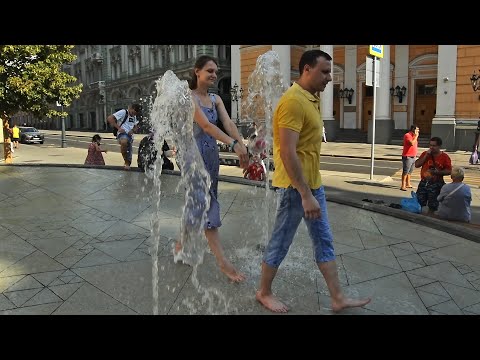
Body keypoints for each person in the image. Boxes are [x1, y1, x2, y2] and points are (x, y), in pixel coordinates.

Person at [255, 49, 371, 313]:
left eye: (330, 72)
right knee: (281, 241)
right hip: (296, 188)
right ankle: (263, 292)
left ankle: (337, 297)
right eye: (325, 72)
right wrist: (305, 194)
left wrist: (312, 190)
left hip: (312, 185)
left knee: (324, 240)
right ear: (306, 69)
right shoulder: (293, 101)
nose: (329, 78)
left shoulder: (312, 98)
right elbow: (287, 151)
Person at [174, 55, 249, 283]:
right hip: (191, 156)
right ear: (197, 72)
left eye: (216, 71)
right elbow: (206, 126)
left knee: (198, 203)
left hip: (210, 155)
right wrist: (233, 145)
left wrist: (243, 147)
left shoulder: (216, 99)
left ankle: (179, 246)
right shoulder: (189, 96)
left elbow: (228, 123)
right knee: (205, 203)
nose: (214, 74)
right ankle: (223, 263)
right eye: (209, 70)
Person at [414, 136, 452, 215]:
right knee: (418, 203)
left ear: (439, 146)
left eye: (434, 146)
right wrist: (425, 156)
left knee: (433, 206)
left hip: (436, 183)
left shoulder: (444, 157)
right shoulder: (425, 154)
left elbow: (449, 171)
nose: (431, 147)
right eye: (430, 145)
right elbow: (417, 164)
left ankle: (430, 220)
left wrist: (436, 172)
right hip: (424, 182)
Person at [106, 103, 141, 170]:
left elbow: (136, 126)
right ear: (130, 108)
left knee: (129, 155)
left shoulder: (134, 116)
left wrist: (133, 130)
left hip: (130, 136)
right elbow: (110, 118)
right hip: (122, 134)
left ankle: (127, 164)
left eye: (135, 114)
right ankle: (126, 162)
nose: (133, 114)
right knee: (124, 142)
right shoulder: (123, 112)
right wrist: (119, 128)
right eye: (133, 112)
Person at [401, 124, 419, 191]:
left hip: (413, 156)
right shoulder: (407, 135)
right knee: (405, 171)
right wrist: (416, 136)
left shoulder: (414, 136)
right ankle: (403, 185)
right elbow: (411, 143)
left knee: (410, 171)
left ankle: (408, 184)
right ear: (413, 129)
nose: (418, 131)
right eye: (417, 129)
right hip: (407, 156)